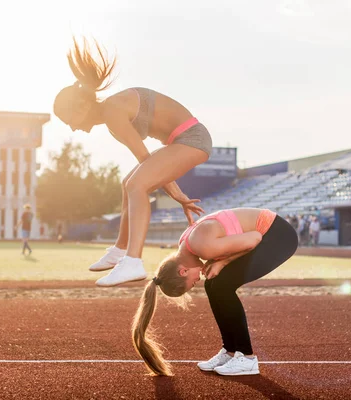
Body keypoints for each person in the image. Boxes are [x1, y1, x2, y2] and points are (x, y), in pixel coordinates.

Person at [53, 37, 211, 287]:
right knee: (129, 182)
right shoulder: (111, 121)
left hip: (192, 138)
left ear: (82, 107)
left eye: (69, 120)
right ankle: (120, 250)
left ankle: (133, 261)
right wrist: (177, 194)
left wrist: (177, 194)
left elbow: (145, 159)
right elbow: (149, 165)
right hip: (181, 141)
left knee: (136, 185)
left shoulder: (112, 112)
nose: (72, 128)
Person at [131, 208, 298, 376]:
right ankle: (230, 351)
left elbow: (254, 238)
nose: (196, 281)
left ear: (183, 272)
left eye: (192, 283)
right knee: (213, 284)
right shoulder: (186, 245)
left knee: (222, 285)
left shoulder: (203, 247)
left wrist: (223, 262)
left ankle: (247, 358)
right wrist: (218, 262)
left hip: (278, 237)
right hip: (268, 235)